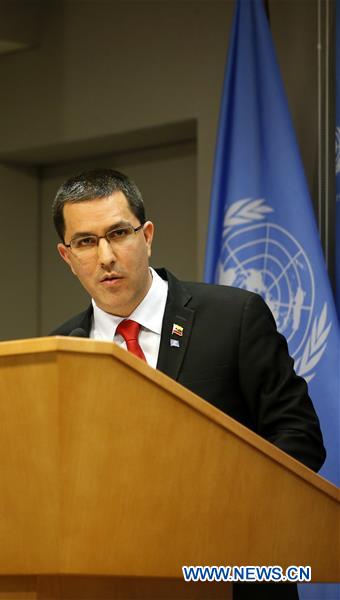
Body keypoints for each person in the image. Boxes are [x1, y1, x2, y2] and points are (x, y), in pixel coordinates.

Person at [49, 170, 325, 599]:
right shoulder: (59, 352)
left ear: (147, 236)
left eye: (119, 233)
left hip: (232, 577)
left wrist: (216, 506)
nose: (105, 256)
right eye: (86, 242)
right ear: (67, 257)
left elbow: (300, 439)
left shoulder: (234, 317)